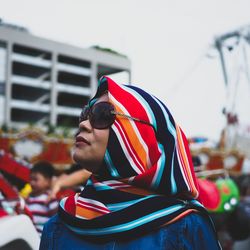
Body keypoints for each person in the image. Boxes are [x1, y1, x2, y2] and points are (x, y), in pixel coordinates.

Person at [40, 76, 221, 249]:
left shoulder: (186, 225)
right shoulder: (57, 226)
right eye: (85, 115)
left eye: (102, 115)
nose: (84, 124)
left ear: (140, 136)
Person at [26, 161, 58, 235]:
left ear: (47, 181)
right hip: (29, 232)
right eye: (31, 179)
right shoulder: (29, 198)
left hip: (41, 235)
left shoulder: (49, 198)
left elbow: (57, 217)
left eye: (35, 180)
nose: (32, 183)